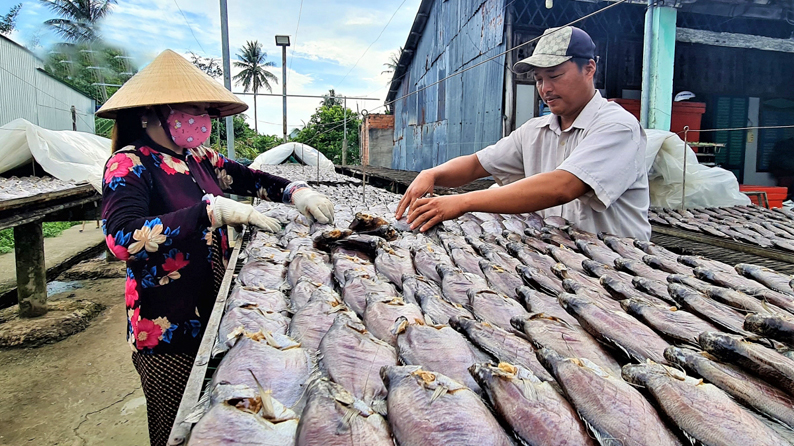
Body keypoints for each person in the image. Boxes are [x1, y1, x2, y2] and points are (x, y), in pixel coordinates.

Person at [96, 49, 334, 446]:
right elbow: (120, 238)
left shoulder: (199, 158)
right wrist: (206, 213)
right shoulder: (129, 163)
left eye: (205, 110)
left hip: (218, 309)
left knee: (224, 416)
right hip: (167, 325)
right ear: (151, 114)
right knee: (177, 426)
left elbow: (250, 177)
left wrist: (295, 191)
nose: (201, 119)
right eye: (192, 109)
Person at [396, 26, 651, 240]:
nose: (545, 88)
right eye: (539, 79)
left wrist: (462, 202)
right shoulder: (535, 131)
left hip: (620, 261)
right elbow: (477, 165)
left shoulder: (617, 126)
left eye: (555, 75)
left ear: (589, 69)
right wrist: (432, 174)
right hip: (562, 257)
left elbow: (563, 186)